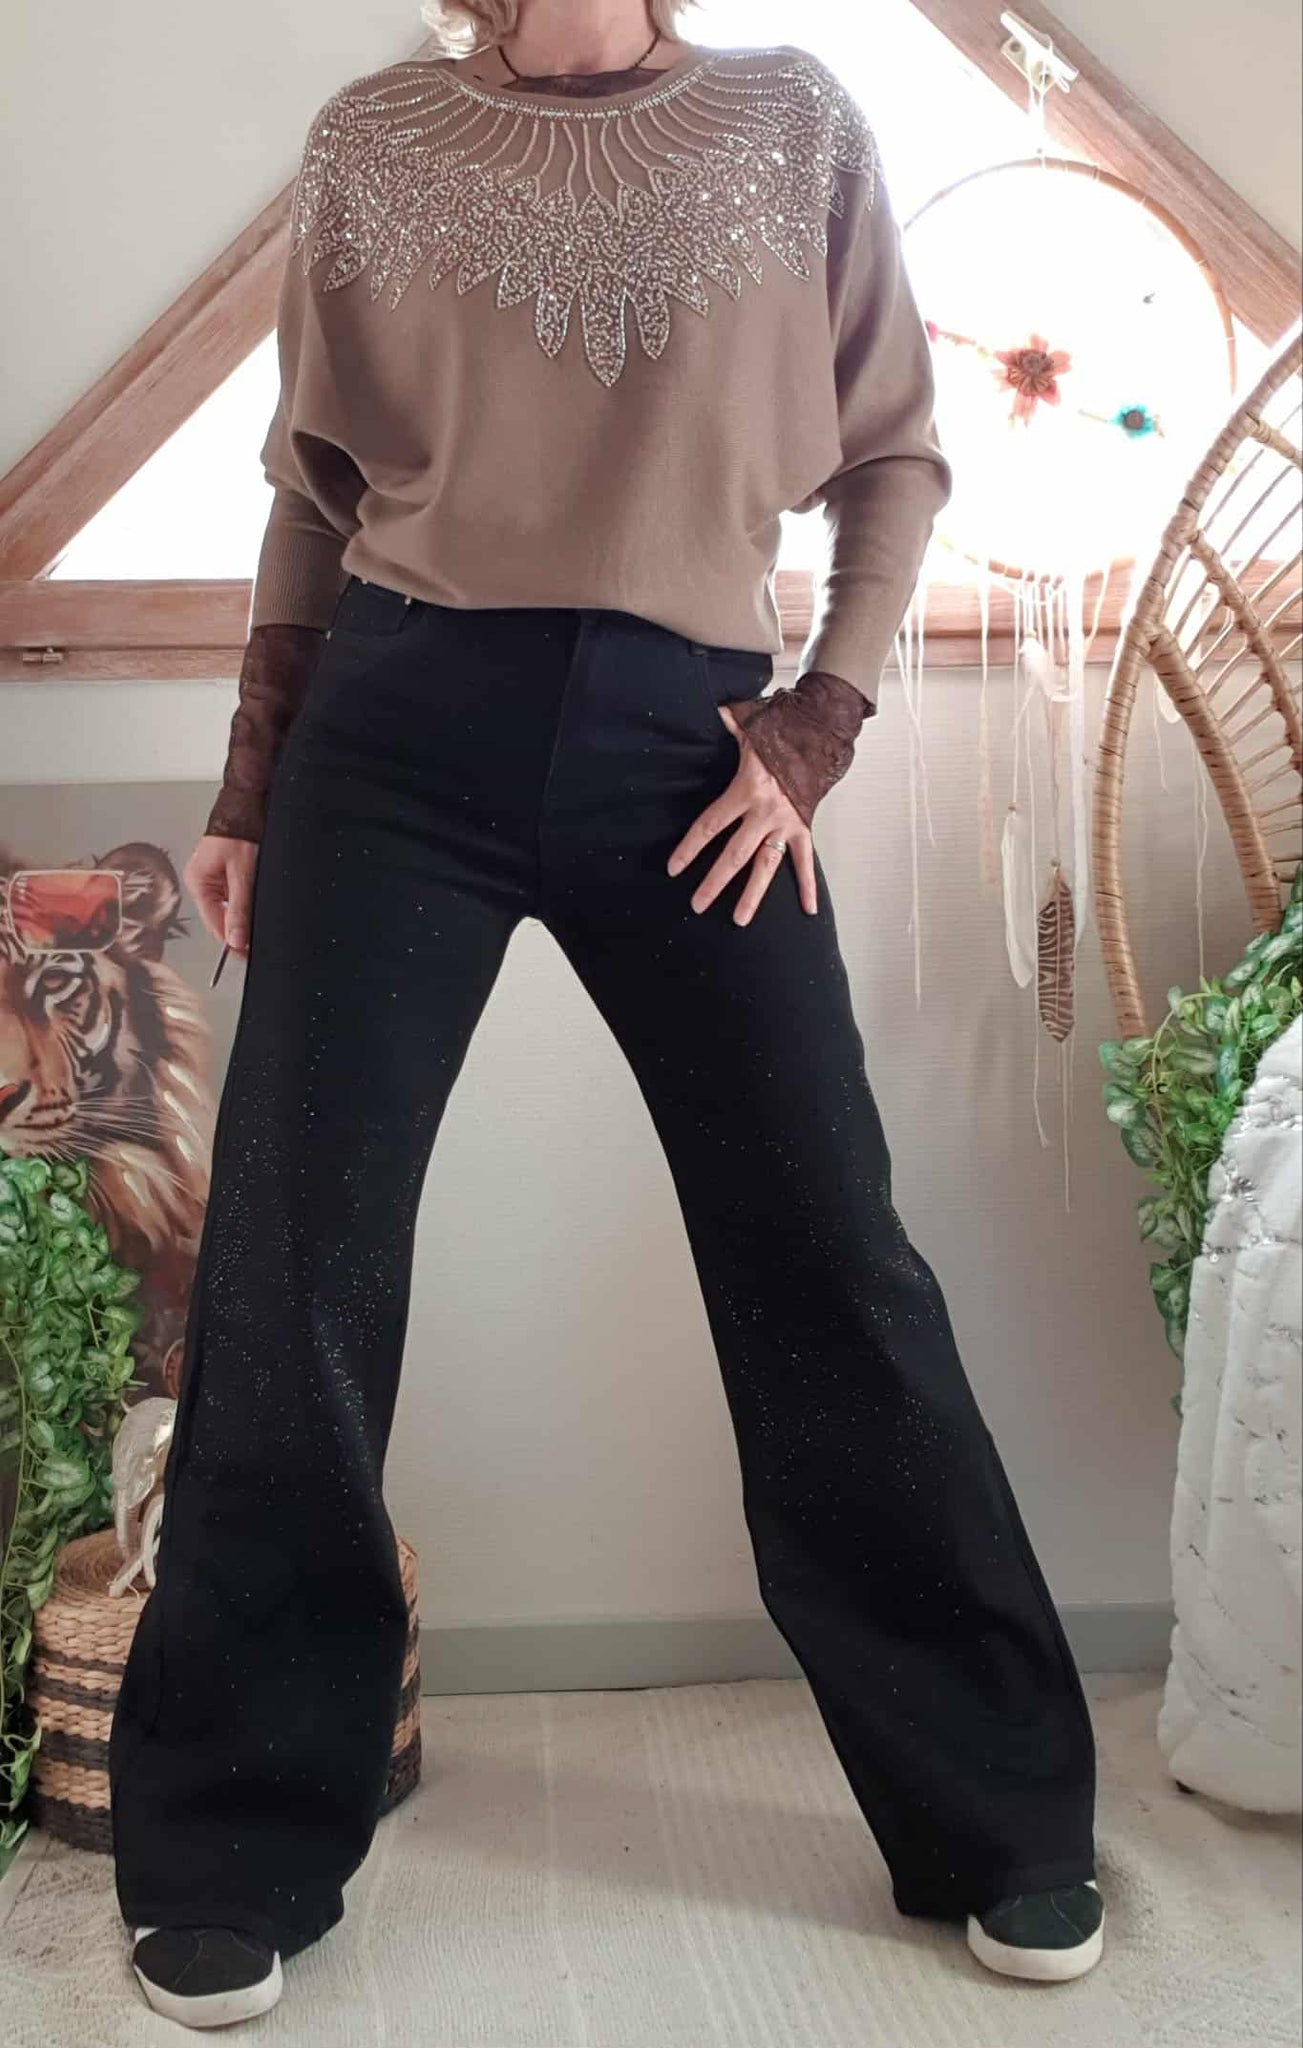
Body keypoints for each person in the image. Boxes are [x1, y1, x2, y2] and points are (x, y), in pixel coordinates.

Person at [108, 0, 1104, 2027]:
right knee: (295, 1263)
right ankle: (231, 1838)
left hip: (689, 748)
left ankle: (997, 1813)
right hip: (395, 733)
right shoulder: (375, 135)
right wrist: (249, 783)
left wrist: (816, 727)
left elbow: (897, 452)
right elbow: (310, 490)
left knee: (827, 1252)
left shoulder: (793, 121)